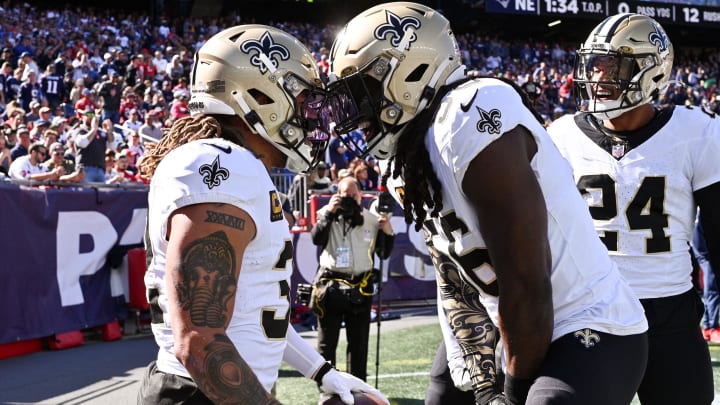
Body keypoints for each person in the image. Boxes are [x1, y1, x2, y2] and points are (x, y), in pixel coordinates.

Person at [325, 3, 648, 404]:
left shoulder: (471, 113)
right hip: (504, 318)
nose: (358, 112)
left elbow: (527, 282)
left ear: (409, 73)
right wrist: (478, 374)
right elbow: (454, 275)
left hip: (586, 320)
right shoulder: (404, 160)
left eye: (364, 93)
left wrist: (509, 394)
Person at [136, 24, 387, 405]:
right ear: (261, 96)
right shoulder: (222, 166)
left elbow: (252, 311)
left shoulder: (231, 166)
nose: (312, 116)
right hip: (202, 393)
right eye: (303, 100)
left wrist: (320, 370)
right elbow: (198, 341)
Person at [546, 13, 720, 404]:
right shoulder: (561, 136)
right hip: (591, 310)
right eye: (594, 65)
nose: (598, 77)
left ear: (652, 73)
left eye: (613, 66)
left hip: (669, 311)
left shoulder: (697, 133)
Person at [310, 176, 394, 382]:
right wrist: (330, 213)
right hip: (331, 288)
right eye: (345, 195)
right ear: (337, 195)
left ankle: (358, 389)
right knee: (326, 344)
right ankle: (327, 390)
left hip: (360, 289)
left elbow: (383, 253)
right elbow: (316, 239)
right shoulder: (326, 214)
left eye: (353, 196)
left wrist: (388, 232)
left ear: (360, 196)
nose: (349, 199)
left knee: (359, 345)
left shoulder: (372, 220)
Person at [694, 215, 720, 343]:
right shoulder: (701, 212)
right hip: (706, 255)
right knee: (712, 290)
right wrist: (705, 257)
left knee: (711, 290)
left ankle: (709, 326)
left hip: (706, 254)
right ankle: (711, 327)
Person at [72, 109, 113, 183]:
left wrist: (109, 131)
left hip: (100, 169)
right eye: (88, 115)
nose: (91, 117)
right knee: (87, 193)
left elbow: (112, 146)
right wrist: (93, 129)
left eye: (93, 115)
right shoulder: (79, 130)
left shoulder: (100, 132)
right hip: (86, 169)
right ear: (82, 117)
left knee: (101, 194)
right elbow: (82, 143)